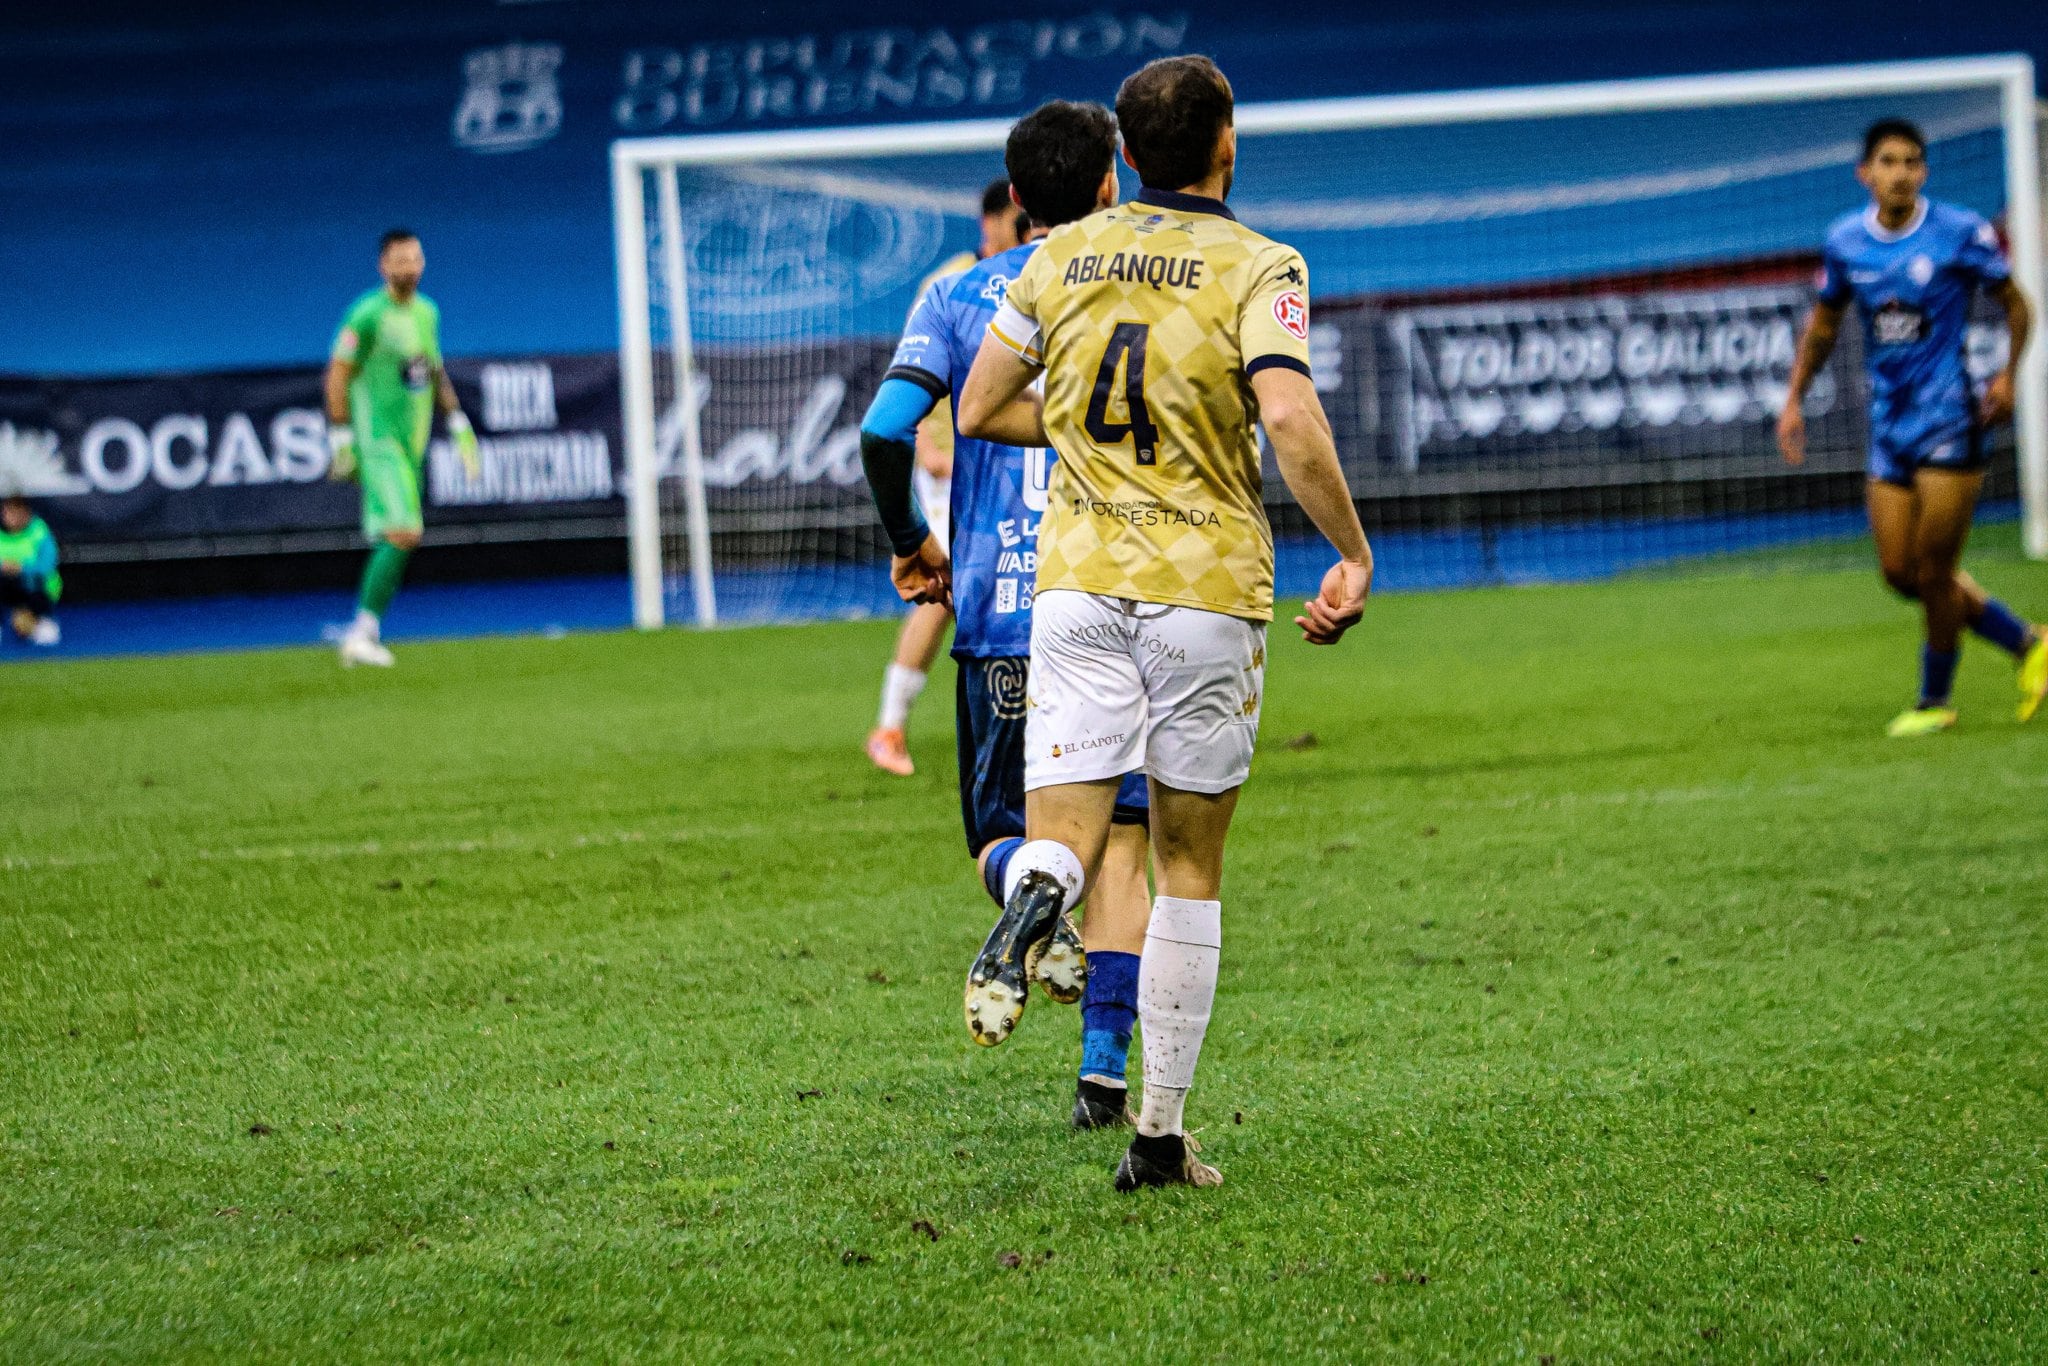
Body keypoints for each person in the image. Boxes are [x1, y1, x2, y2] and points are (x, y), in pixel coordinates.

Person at [954, 55, 1373, 1190]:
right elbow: (1283, 410)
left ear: (1123, 158)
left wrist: (1090, 447)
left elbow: (982, 404)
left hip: (1078, 588)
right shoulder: (1259, 263)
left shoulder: (1059, 253)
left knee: (1068, 831)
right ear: (1224, 143)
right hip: (1203, 590)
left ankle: (1036, 892)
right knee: (1186, 861)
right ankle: (1157, 1134)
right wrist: (1349, 548)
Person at [859, 107, 1152, 1128]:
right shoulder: (1147, 280)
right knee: (1120, 845)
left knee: (1001, 835)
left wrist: (908, 540)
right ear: (1112, 184)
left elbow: (885, 429)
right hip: (1119, 597)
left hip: (998, 618)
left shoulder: (955, 290)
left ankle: (1029, 895)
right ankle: (1103, 1078)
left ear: (1013, 201)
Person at [1778, 118, 2043, 735]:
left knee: (1934, 569)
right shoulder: (1845, 240)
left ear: (1924, 172)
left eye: (1913, 163)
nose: (1901, 173)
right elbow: (1823, 325)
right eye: (1889, 162)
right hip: (1888, 422)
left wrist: (2008, 378)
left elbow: (2017, 304)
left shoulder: (1958, 232)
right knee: (1900, 572)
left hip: (1951, 416)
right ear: (1864, 174)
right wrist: (1793, 399)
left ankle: (1935, 702)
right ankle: (2029, 642)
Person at [867, 180, 1030, 775]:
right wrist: (930, 442)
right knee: (947, 590)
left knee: (999, 585)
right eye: (1016, 218)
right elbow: (911, 370)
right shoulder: (951, 283)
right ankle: (889, 727)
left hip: (1009, 460)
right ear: (991, 223)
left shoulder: (1033, 274)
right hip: (953, 464)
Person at [325, 228, 479, 668]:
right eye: (400, 259)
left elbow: (432, 369)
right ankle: (361, 633)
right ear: (383, 266)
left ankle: (365, 631)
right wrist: (341, 437)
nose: (409, 266)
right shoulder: (367, 314)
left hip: (412, 441)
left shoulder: (427, 313)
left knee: (400, 536)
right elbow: (337, 374)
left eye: (415, 258)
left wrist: (458, 422)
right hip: (377, 440)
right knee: (404, 531)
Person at [0, 494, 62, 647]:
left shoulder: (38, 530)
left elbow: (48, 563)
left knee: (35, 581)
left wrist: (22, 568)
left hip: (36, 587)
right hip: (6, 585)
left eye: (15, 513)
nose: (10, 517)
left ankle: (42, 621)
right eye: (7, 512)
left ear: (25, 513)